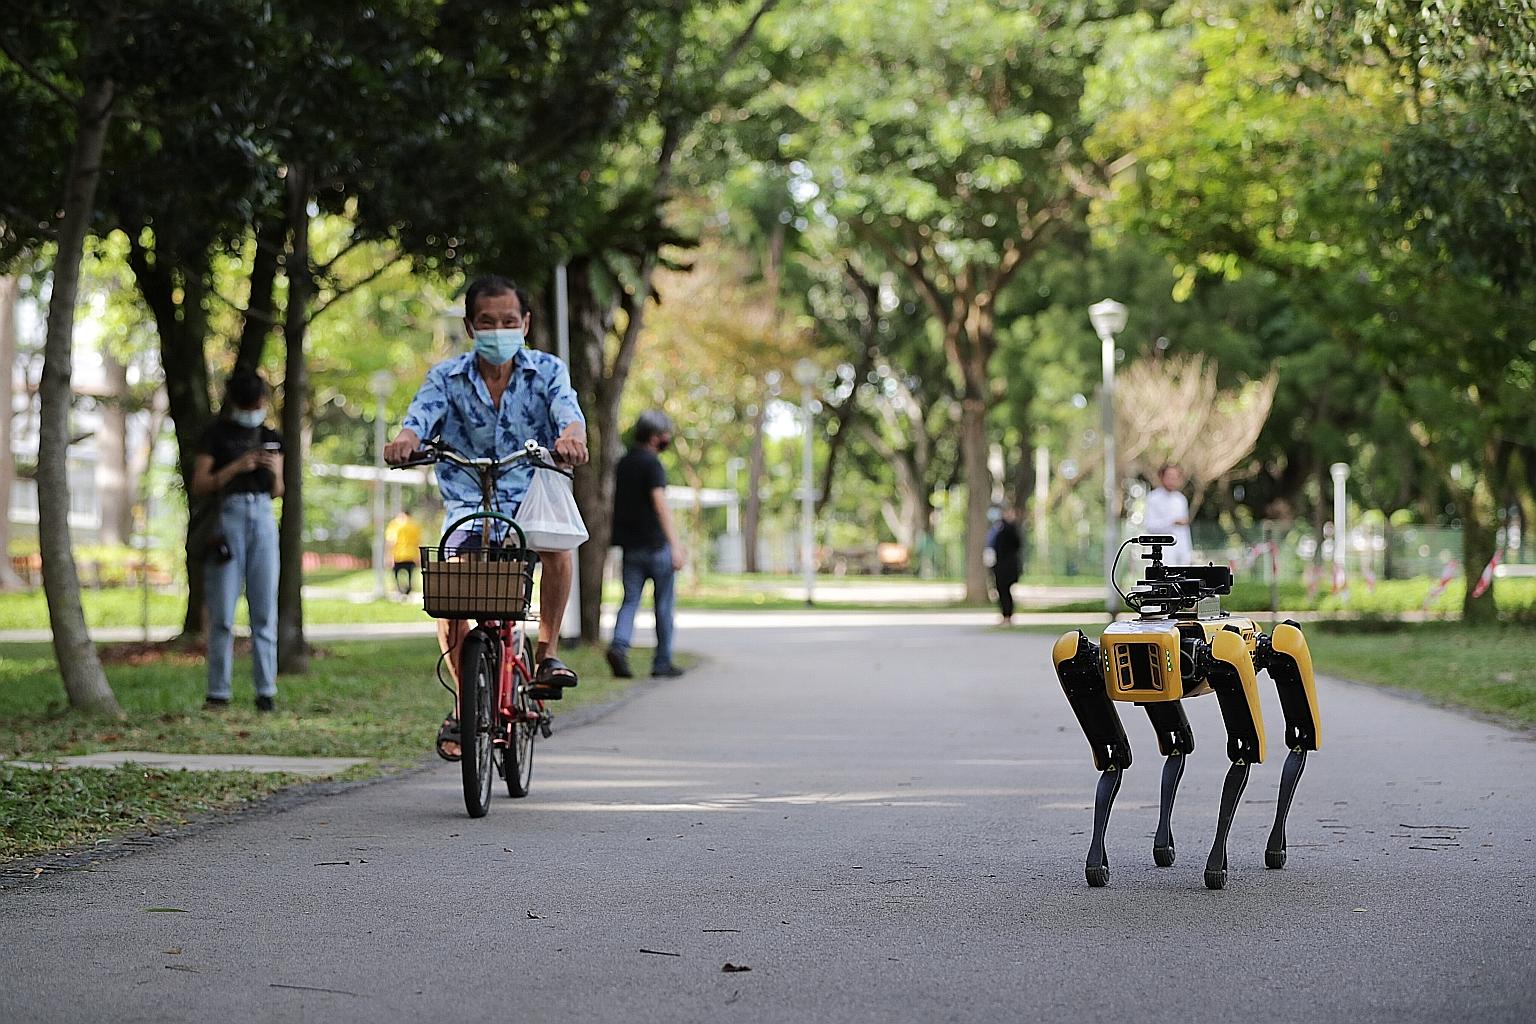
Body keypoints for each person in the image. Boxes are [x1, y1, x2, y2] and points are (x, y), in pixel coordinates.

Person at [384, 275, 589, 760]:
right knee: (450, 585)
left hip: (531, 500)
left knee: (558, 548)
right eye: (488, 322)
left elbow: (569, 412)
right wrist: (406, 441)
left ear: (526, 324)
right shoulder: (446, 378)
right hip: (468, 507)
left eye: (509, 322)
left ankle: (545, 653)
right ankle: (464, 703)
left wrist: (572, 437)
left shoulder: (547, 370)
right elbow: (418, 418)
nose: (499, 330)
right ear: (471, 326)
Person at [191, 370, 283, 712]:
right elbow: (202, 483)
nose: (253, 407)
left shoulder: (272, 436)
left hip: (261, 518)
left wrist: (271, 470)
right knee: (223, 614)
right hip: (226, 520)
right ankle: (218, 692)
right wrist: (238, 466)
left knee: (263, 612)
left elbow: (279, 491)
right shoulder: (215, 436)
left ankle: (266, 690)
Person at [606, 411, 686, 679]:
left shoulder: (623, 463)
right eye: (665, 436)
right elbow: (660, 505)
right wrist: (675, 545)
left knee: (629, 601)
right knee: (663, 605)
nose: (667, 440)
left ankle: (619, 645)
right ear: (654, 438)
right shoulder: (653, 465)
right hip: (655, 546)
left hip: (630, 547)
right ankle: (662, 662)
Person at [1144, 463, 1194, 563]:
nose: (1172, 480)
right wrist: (1172, 522)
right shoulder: (1153, 498)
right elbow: (1150, 525)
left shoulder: (1180, 499)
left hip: (1180, 551)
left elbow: (1184, 531)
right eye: (1169, 477)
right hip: (1162, 552)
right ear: (1162, 477)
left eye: (1175, 477)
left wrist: (1187, 553)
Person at [987, 506, 1023, 624]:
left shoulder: (1010, 529)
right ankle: (1005, 615)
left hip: (1007, 567)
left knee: (1005, 591)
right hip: (999, 565)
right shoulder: (998, 528)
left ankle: (1008, 616)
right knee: (1001, 590)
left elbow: (1016, 544)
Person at [385, 508, 423, 596]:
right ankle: (408, 589)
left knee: (396, 574)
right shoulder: (414, 525)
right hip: (411, 555)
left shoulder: (395, 524)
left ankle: (399, 589)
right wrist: (418, 557)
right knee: (410, 574)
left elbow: (391, 541)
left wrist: (389, 556)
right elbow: (418, 542)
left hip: (398, 555)